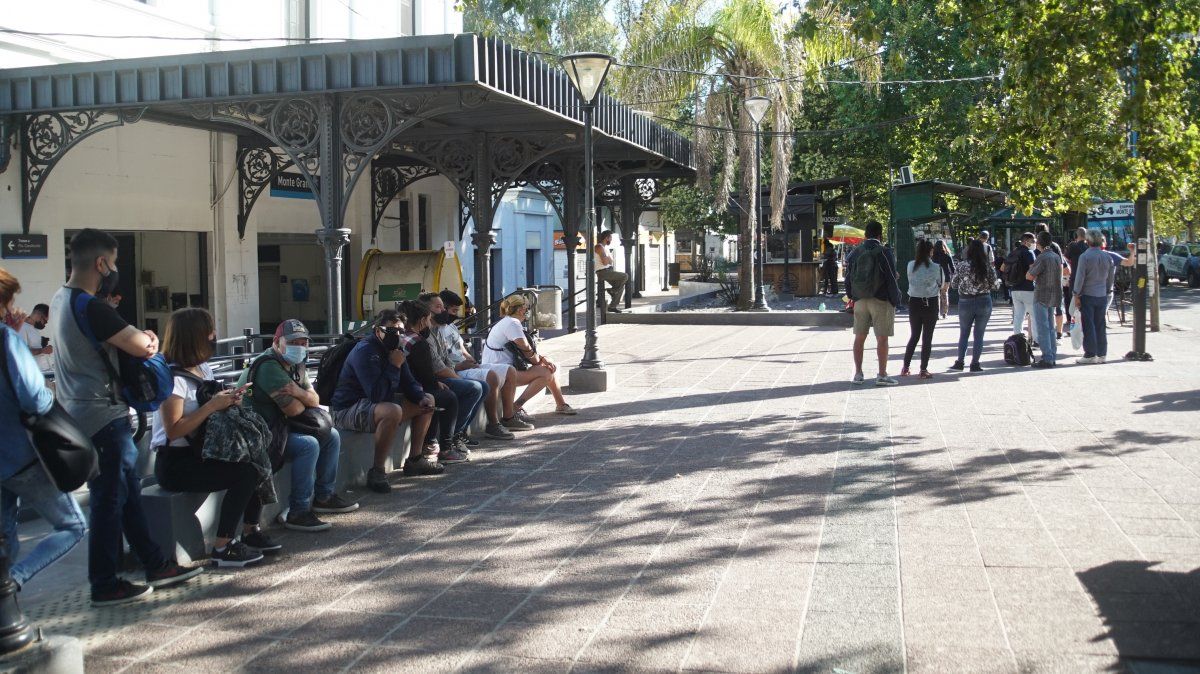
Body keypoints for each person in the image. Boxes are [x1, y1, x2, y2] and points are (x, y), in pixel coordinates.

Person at [51, 228, 202, 605]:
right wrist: (149, 338)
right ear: (102, 263)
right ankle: (104, 584)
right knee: (109, 501)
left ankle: (155, 563)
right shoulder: (92, 306)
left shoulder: (59, 298)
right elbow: (143, 345)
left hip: (76, 410)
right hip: (104, 415)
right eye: (114, 263)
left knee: (127, 492)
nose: (115, 270)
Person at [152, 308, 275, 566]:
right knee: (245, 473)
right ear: (194, 336)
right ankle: (223, 547)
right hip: (176, 461)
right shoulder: (172, 379)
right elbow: (173, 430)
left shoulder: (202, 368)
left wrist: (230, 399)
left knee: (258, 456)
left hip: (204, 449)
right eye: (209, 331)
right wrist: (212, 406)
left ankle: (250, 530)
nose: (214, 335)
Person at [0, 268, 87, 591]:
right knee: (72, 526)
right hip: (19, 456)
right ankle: (14, 581)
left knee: (5, 534)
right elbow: (34, 400)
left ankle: (6, 604)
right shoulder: (6, 340)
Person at [239, 319, 358, 532]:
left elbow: (315, 399)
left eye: (304, 343)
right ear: (277, 342)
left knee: (332, 436)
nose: (300, 347)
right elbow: (294, 409)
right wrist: (303, 396)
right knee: (308, 445)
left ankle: (324, 497)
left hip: (280, 427)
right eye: (293, 342)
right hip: (260, 432)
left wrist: (297, 392)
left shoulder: (295, 364)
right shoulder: (268, 366)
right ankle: (298, 510)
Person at [330, 309, 439, 492]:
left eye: (401, 331)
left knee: (429, 400)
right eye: (391, 331)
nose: (397, 335)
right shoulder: (366, 351)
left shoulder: (396, 350)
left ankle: (415, 460)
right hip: (348, 409)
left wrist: (420, 398)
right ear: (377, 331)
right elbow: (377, 394)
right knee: (392, 411)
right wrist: (394, 365)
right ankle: (378, 470)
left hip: (373, 405)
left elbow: (409, 382)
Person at [434, 290, 517, 441]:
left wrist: (472, 360)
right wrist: (461, 367)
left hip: (465, 365)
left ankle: (509, 416)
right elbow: (439, 363)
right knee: (490, 377)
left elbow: (461, 348)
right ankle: (493, 424)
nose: (456, 315)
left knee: (509, 371)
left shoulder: (451, 327)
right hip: (454, 369)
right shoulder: (436, 330)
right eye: (453, 311)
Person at [482, 294, 577, 421]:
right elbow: (527, 350)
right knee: (546, 371)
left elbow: (527, 351)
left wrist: (542, 358)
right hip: (500, 373)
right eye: (527, 308)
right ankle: (516, 407)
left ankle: (560, 404)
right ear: (521, 309)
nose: (528, 311)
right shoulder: (512, 324)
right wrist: (541, 360)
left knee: (548, 366)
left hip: (499, 369)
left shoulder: (507, 321)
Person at [396, 300, 469, 465]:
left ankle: (431, 442)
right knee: (448, 397)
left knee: (437, 393)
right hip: (410, 389)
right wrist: (436, 383)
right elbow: (425, 375)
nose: (430, 323)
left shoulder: (403, 337)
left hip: (403, 385)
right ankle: (445, 448)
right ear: (422, 321)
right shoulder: (418, 342)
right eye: (429, 319)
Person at [418, 292, 488, 450]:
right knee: (474, 388)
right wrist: (458, 377)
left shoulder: (437, 330)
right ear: (427, 311)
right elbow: (438, 368)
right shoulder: (425, 335)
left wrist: (456, 374)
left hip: (443, 376)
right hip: (432, 380)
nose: (443, 311)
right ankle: (452, 437)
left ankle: (460, 432)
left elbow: (446, 361)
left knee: (483, 386)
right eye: (438, 307)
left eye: (443, 307)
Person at [846, 220, 902, 386]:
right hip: (881, 299)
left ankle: (858, 374)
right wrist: (895, 299)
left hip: (860, 299)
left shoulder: (856, 252)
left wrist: (852, 296)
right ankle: (882, 375)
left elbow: (848, 276)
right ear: (880, 234)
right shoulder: (884, 252)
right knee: (882, 338)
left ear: (865, 234)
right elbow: (891, 277)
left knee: (859, 337)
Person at [950, 239, 998, 372]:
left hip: (965, 302)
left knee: (964, 333)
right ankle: (975, 363)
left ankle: (960, 362)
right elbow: (995, 285)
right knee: (979, 334)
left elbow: (954, 284)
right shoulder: (987, 266)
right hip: (984, 301)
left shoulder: (962, 265)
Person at [902, 239, 943, 379]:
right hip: (930, 302)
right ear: (931, 251)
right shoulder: (936, 267)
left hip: (914, 302)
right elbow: (941, 283)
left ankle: (905, 367)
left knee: (914, 335)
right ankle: (923, 369)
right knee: (927, 338)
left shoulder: (910, 265)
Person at [1026, 232, 1063, 368]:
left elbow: (1029, 276)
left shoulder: (1042, 257)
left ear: (1039, 243)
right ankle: (1052, 356)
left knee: (1042, 327)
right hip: (1054, 294)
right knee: (1051, 327)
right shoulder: (1056, 256)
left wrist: (1030, 270)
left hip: (1041, 294)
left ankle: (1047, 358)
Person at [1002, 233, 1039, 344]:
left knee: (1018, 316)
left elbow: (1002, 268)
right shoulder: (1029, 253)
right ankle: (1036, 340)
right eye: (1033, 241)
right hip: (1028, 288)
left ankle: (1018, 340)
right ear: (1026, 241)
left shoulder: (1013, 253)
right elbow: (1033, 270)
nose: (1034, 243)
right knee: (1034, 316)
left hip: (1014, 288)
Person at [595, 230, 628, 313]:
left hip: (608, 270)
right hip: (603, 272)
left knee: (621, 287)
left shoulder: (605, 248)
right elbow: (605, 262)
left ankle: (612, 306)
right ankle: (613, 290)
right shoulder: (599, 247)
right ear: (606, 238)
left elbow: (611, 261)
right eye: (610, 237)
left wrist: (607, 259)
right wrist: (607, 259)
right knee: (625, 276)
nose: (611, 239)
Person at [1064, 227, 1089, 326]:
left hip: (1074, 278)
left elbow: (1065, 259)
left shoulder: (1072, 246)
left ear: (1076, 235)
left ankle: (1074, 325)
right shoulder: (1089, 246)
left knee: (1073, 304)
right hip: (1087, 279)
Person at [18, 303, 53, 373]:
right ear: (39, 315)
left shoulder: (33, 328)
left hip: (40, 371)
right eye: (45, 321)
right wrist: (43, 350)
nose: (45, 324)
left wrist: (42, 345)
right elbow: (21, 351)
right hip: (31, 372)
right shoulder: (22, 327)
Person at [932, 241, 954, 319]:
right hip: (946, 278)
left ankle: (937, 313)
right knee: (944, 295)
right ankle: (944, 313)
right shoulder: (947, 256)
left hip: (935, 278)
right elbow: (952, 268)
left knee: (936, 295)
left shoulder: (933, 257)